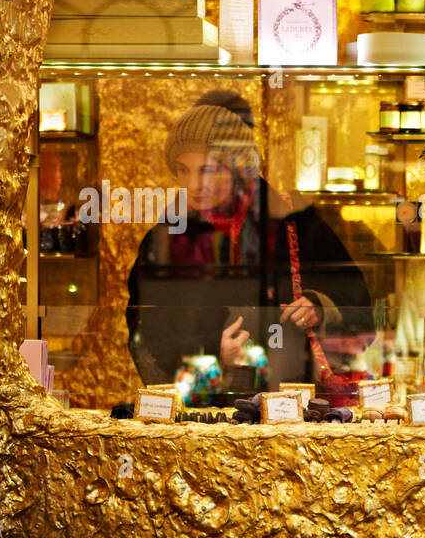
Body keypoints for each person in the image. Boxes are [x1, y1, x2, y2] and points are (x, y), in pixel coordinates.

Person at [126, 94, 372, 391]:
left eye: (207, 170)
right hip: (208, 419)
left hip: (294, 410)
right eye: (183, 170)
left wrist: (320, 306)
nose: (192, 185)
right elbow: (149, 339)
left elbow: (358, 298)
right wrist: (211, 358)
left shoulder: (294, 223)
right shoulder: (166, 240)